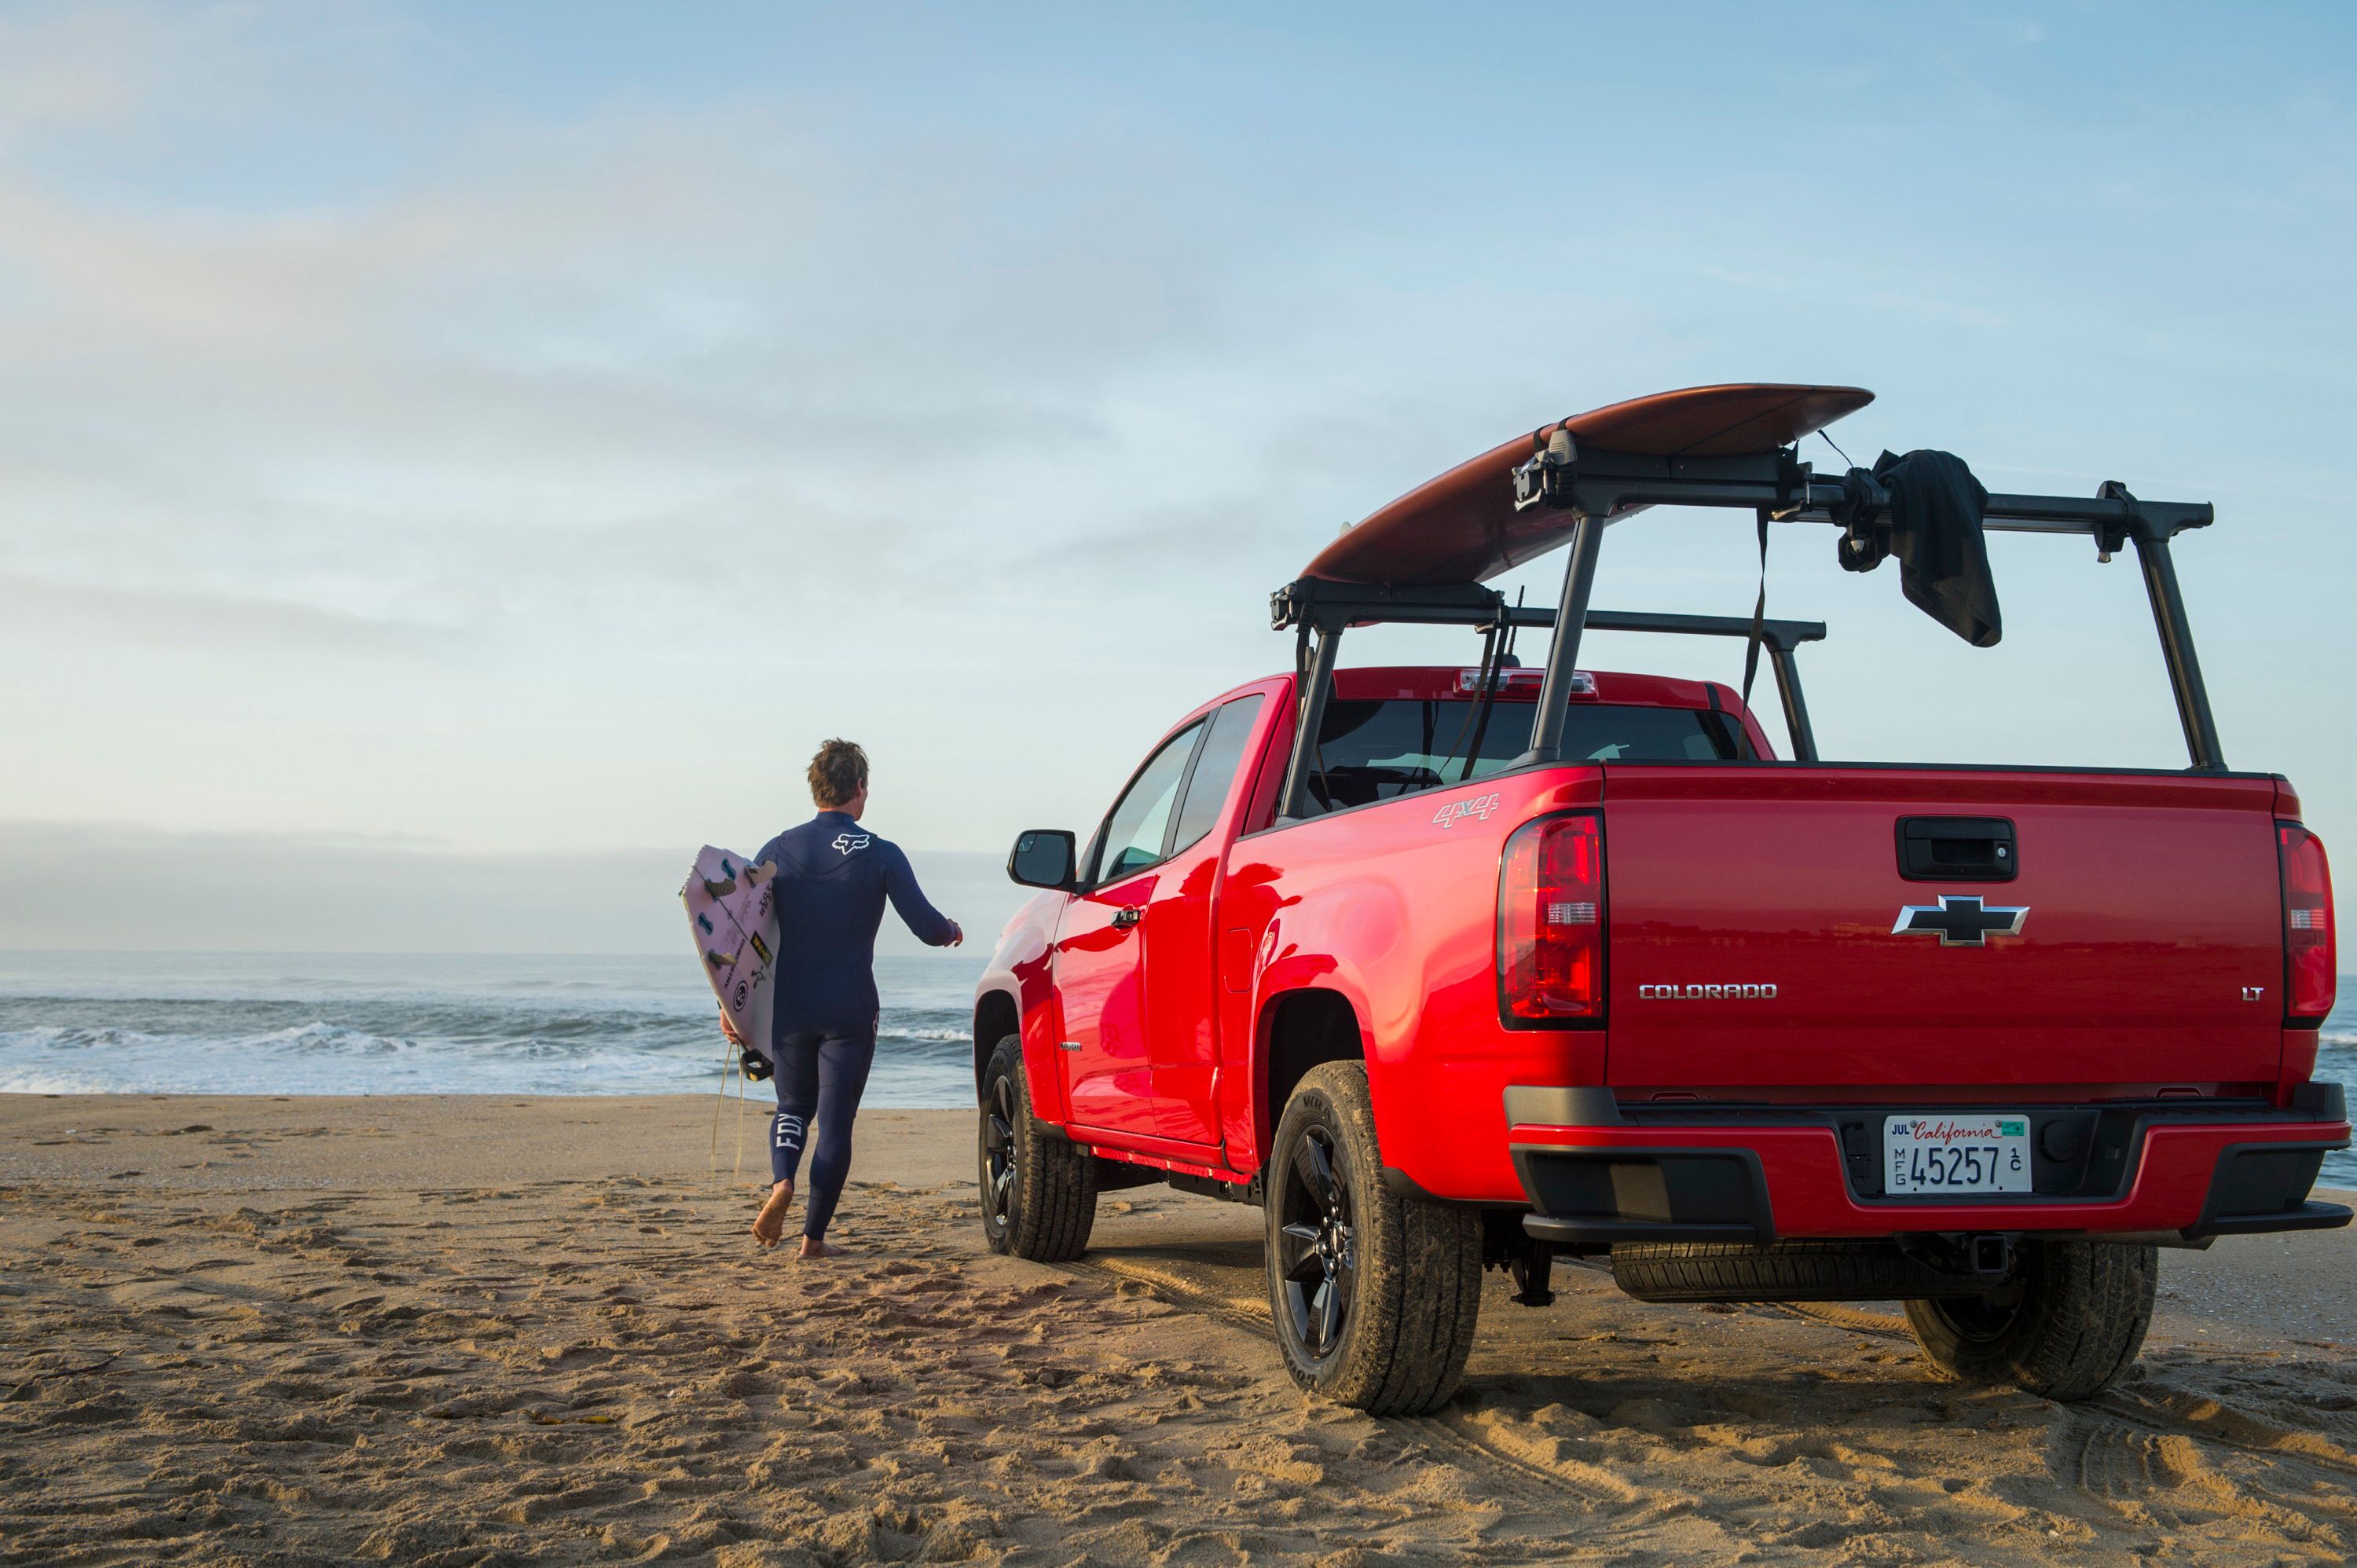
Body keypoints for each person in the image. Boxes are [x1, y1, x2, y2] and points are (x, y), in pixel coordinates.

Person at [725, 738, 962, 1258]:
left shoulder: (776, 850)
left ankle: (782, 1183)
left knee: (791, 1106)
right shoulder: (879, 852)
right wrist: (951, 931)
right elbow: (925, 925)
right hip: (850, 1008)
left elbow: (740, 939)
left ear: (815, 788)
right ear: (860, 788)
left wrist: (732, 1007)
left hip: (789, 1008)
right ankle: (812, 1242)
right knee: (835, 1123)